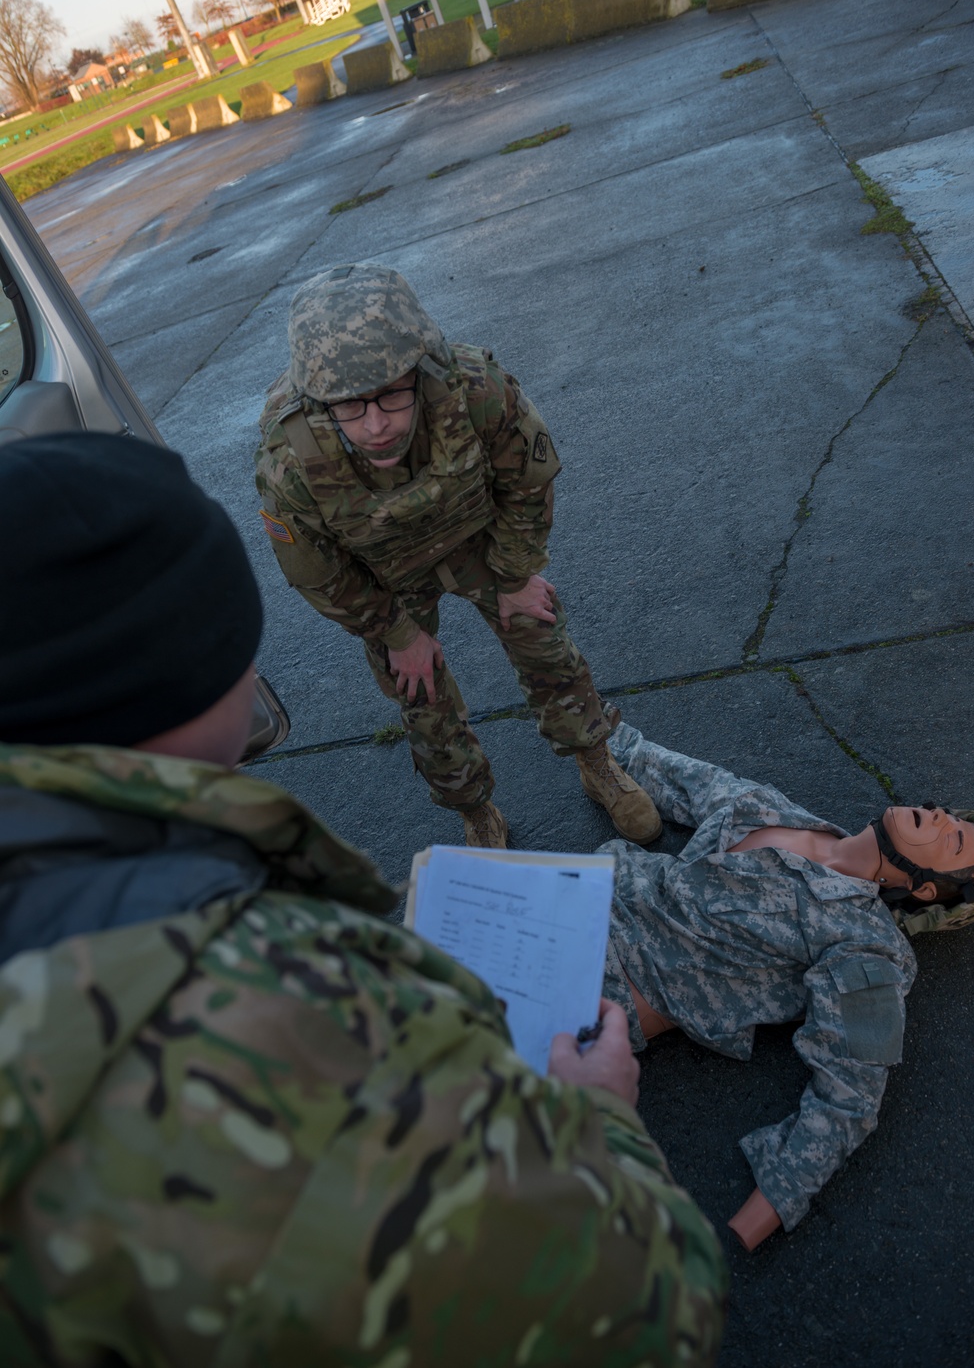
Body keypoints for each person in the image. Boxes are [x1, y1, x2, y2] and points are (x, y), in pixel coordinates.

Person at [0, 433, 726, 1366]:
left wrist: (506, 574)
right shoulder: (295, 1018)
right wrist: (601, 1121)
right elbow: (647, 1313)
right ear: (201, 667)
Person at [254, 263, 661, 851]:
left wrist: (517, 573)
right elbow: (319, 575)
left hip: (477, 538)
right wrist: (395, 634)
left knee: (542, 632)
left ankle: (596, 763)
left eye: (392, 394)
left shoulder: (475, 387)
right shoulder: (287, 459)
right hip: (386, 579)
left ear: (419, 369)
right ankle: (475, 811)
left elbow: (527, 480)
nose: (374, 426)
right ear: (321, 398)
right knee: (419, 696)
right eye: (349, 406)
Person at [599, 723, 974, 1252]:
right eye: (953, 817)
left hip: (607, 983)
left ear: (925, 889)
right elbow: (694, 781)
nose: (945, 817)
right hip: (586, 886)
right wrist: (606, 737)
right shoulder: (782, 811)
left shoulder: (866, 945)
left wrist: (769, 1206)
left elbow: (852, 1093)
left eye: (952, 840)